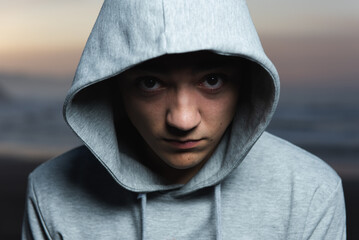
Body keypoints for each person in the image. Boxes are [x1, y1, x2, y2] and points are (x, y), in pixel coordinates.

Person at [22, 0, 346, 239]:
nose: (182, 119)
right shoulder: (51, 194)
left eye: (212, 80)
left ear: (246, 84)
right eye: (150, 82)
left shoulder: (309, 193)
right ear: (114, 87)